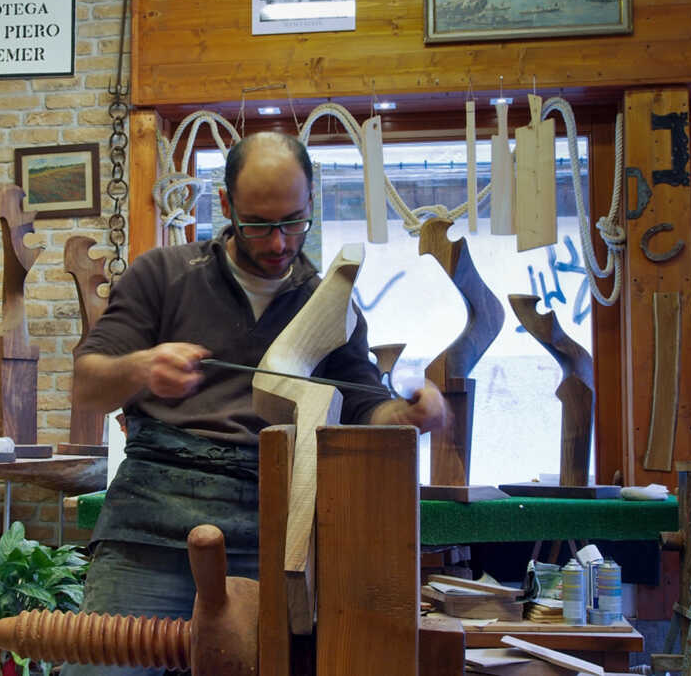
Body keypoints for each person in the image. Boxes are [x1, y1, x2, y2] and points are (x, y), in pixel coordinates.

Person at [64, 131, 446, 676]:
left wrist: (406, 418)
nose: (278, 243)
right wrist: (140, 367)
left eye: (293, 222)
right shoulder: (164, 275)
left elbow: (365, 409)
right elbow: (87, 384)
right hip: (152, 523)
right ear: (225, 206)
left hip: (274, 533)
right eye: (259, 224)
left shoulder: (328, 302)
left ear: (312, 202)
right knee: (104, 666)